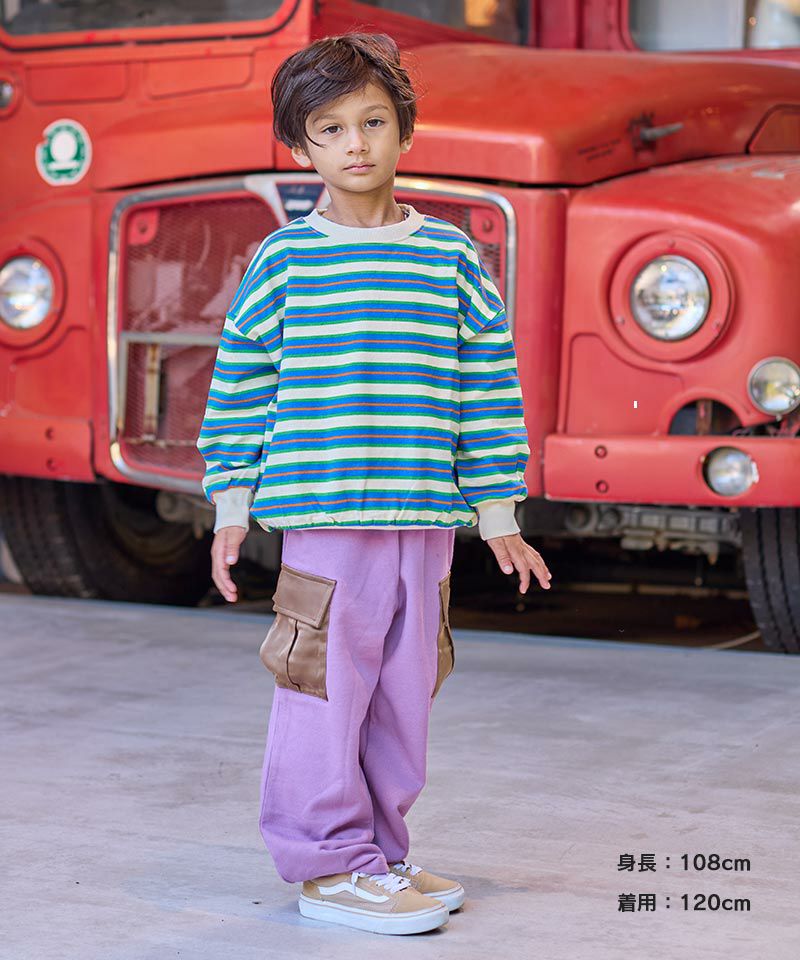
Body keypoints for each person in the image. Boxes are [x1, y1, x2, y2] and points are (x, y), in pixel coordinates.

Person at [195, 31, 552, 936]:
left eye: (373, 122)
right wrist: (231, 504)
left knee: (406, 687)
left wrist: (498, 513)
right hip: (325, 517)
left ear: (405, 131)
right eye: (329, 128)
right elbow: (240, 385)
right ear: (299, 147)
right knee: (322, 688)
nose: (355, 143)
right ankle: (327, 862)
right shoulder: (285, 261)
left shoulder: (451, 260)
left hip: (424, 517)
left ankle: (380, 854)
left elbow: (487, 390)